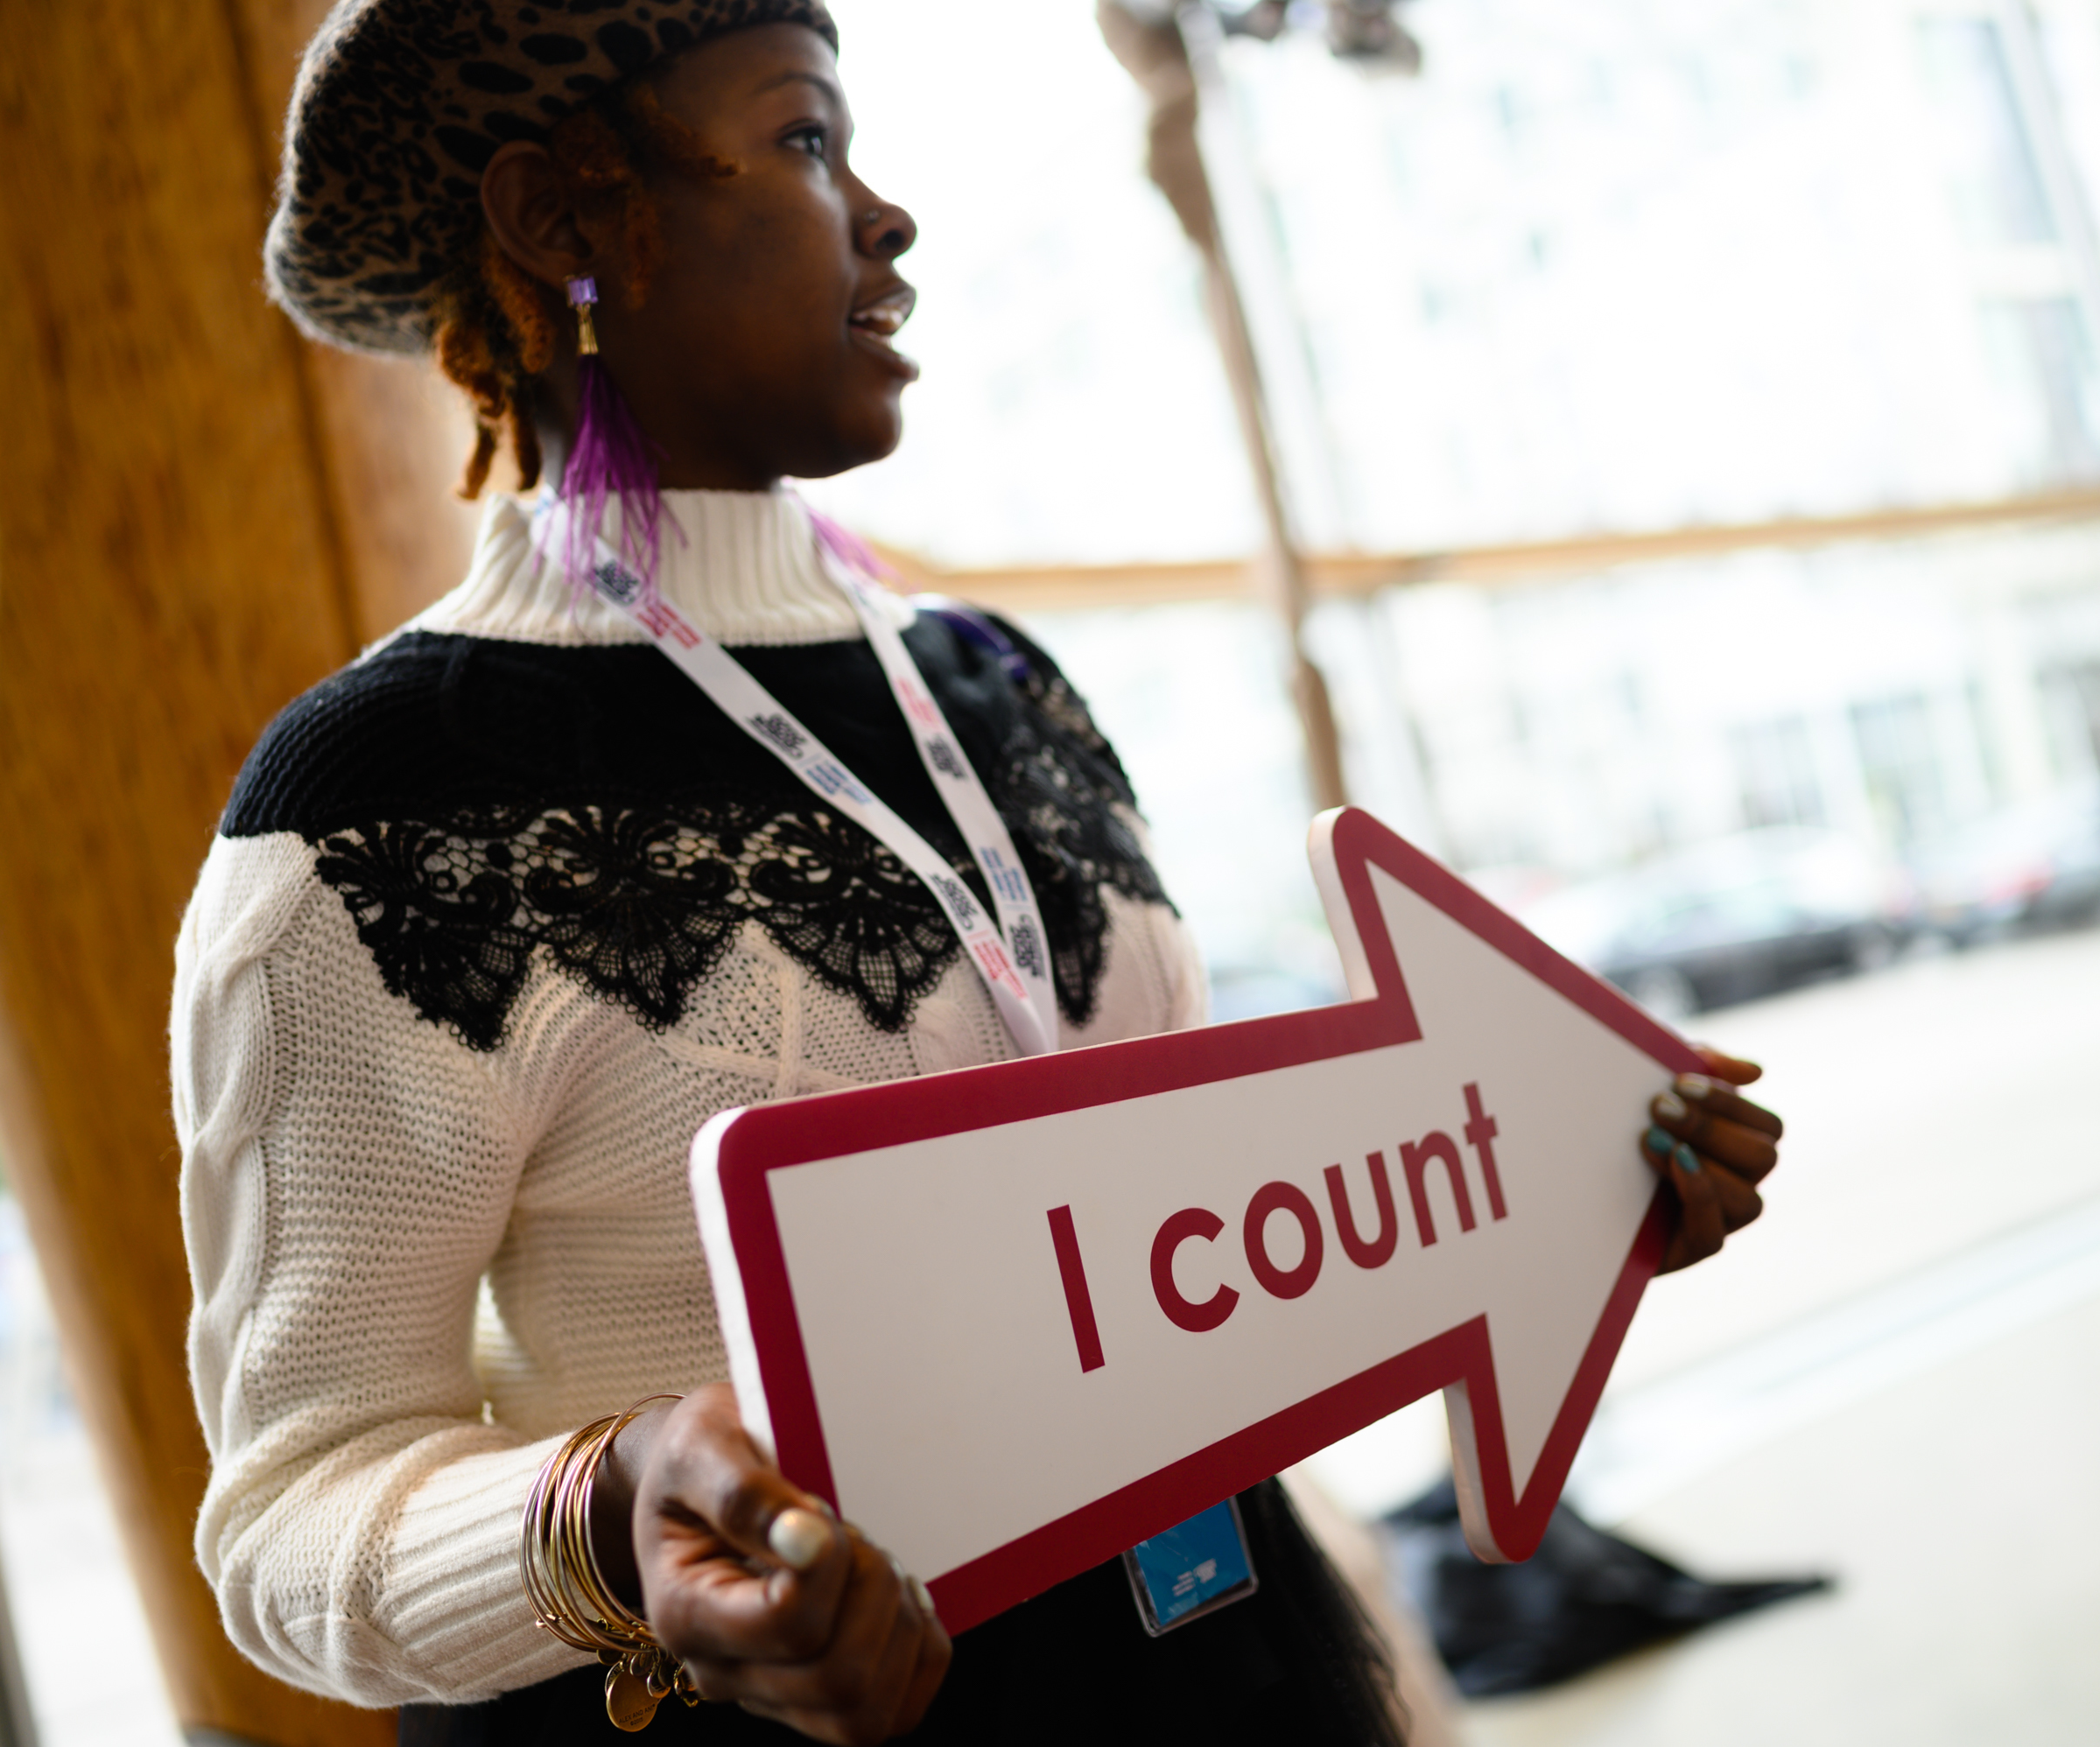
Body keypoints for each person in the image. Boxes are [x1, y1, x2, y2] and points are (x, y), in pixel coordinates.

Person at [172, 5, 1785, 1742]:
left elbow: (1200, 1231)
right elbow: (289, 1510)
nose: (887, 215)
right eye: (803, 141)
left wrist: (1547, 1186)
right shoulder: (381, 799)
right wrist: (614, 1505)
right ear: (561, 225)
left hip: (1235, 1662)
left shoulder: (999, 680)